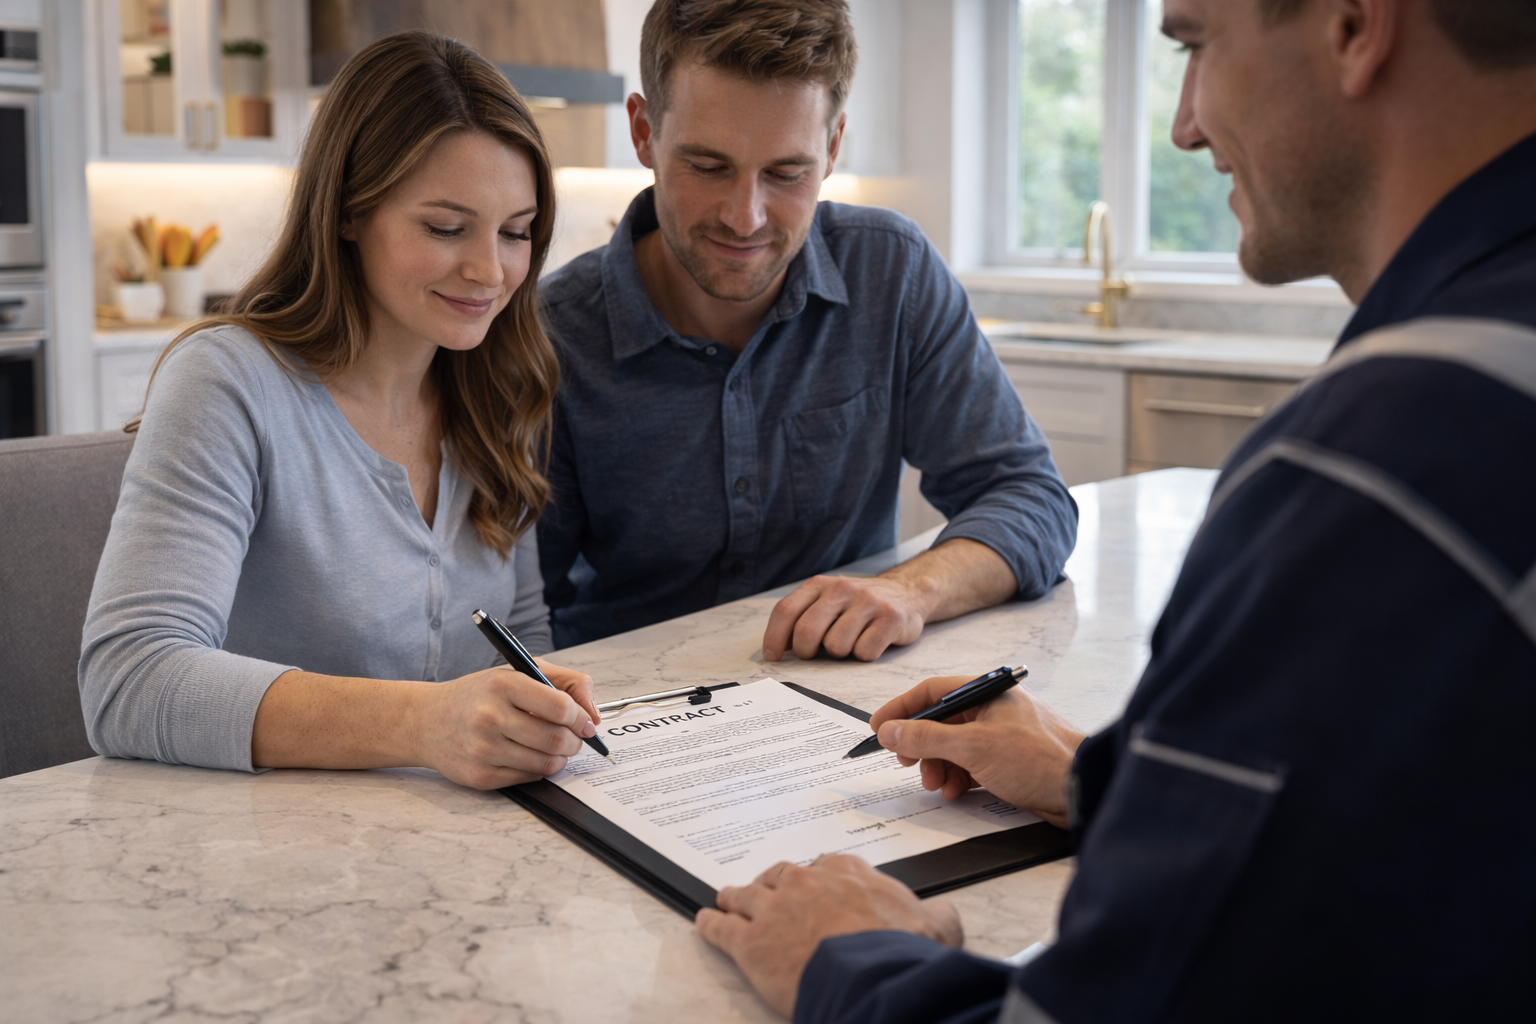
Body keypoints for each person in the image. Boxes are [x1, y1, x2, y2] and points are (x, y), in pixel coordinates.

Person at [694, 0, 1536, 1020]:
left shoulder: (1381, 468)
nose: (1183, 123)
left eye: (1192, 44)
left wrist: (850, 958)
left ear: (1356, 23)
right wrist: (1108, 782)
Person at [79, 32, 605, 790]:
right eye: (446, 228)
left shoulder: (497, 389)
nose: (491, 271)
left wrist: (535, 707)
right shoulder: (229, 382)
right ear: (351, 212)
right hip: (257, 853)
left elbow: (517, 638)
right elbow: (129, 680)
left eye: (516, 233)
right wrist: (424, 722)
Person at [536, 0, 1078, 656]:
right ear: (644, 131)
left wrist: (912, 590)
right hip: (625, 718)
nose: (746, 217)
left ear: (833, 144)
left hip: (845, 695)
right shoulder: (552, 336)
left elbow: (1029, 495)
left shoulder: (891, 273)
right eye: (708, 167)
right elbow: (519, 597)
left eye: (787, 173)